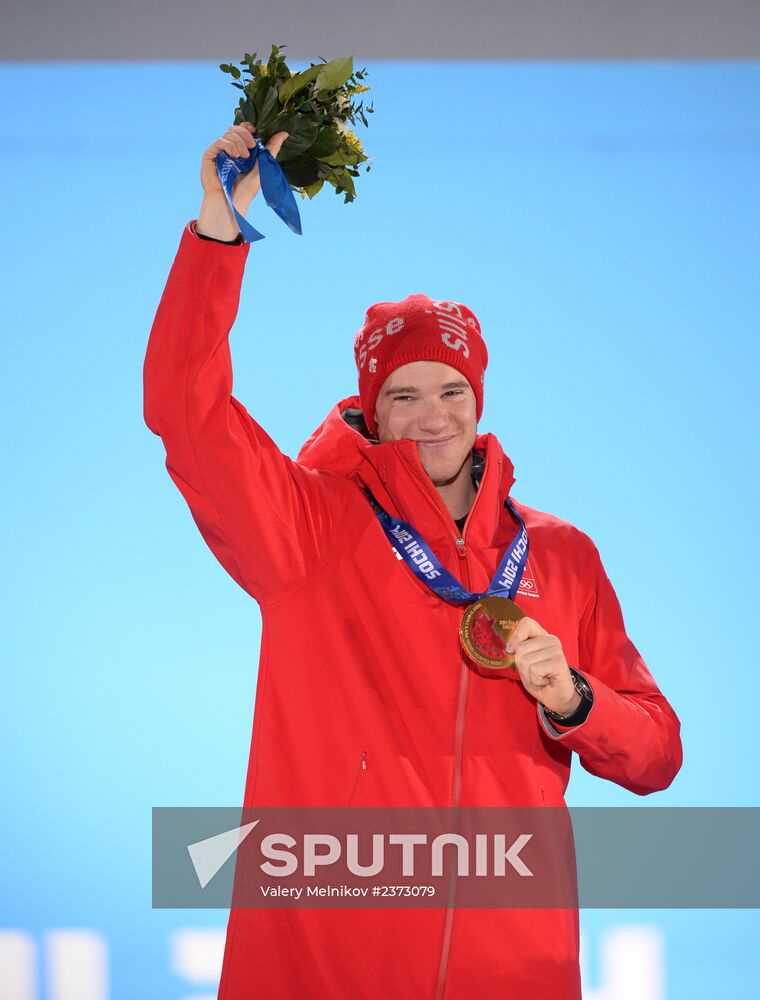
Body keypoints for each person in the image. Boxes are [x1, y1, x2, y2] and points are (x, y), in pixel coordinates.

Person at [143, 122, 682, 1000]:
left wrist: (576, 701)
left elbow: (657, 753)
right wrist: (217, 232)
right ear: (373, 409)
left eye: (452, 392)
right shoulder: (311, 528)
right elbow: (185, 410)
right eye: (404, 394)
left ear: (480, 400)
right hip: (333, 966)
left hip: (517, 972)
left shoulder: (560, 554)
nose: (433, 416)